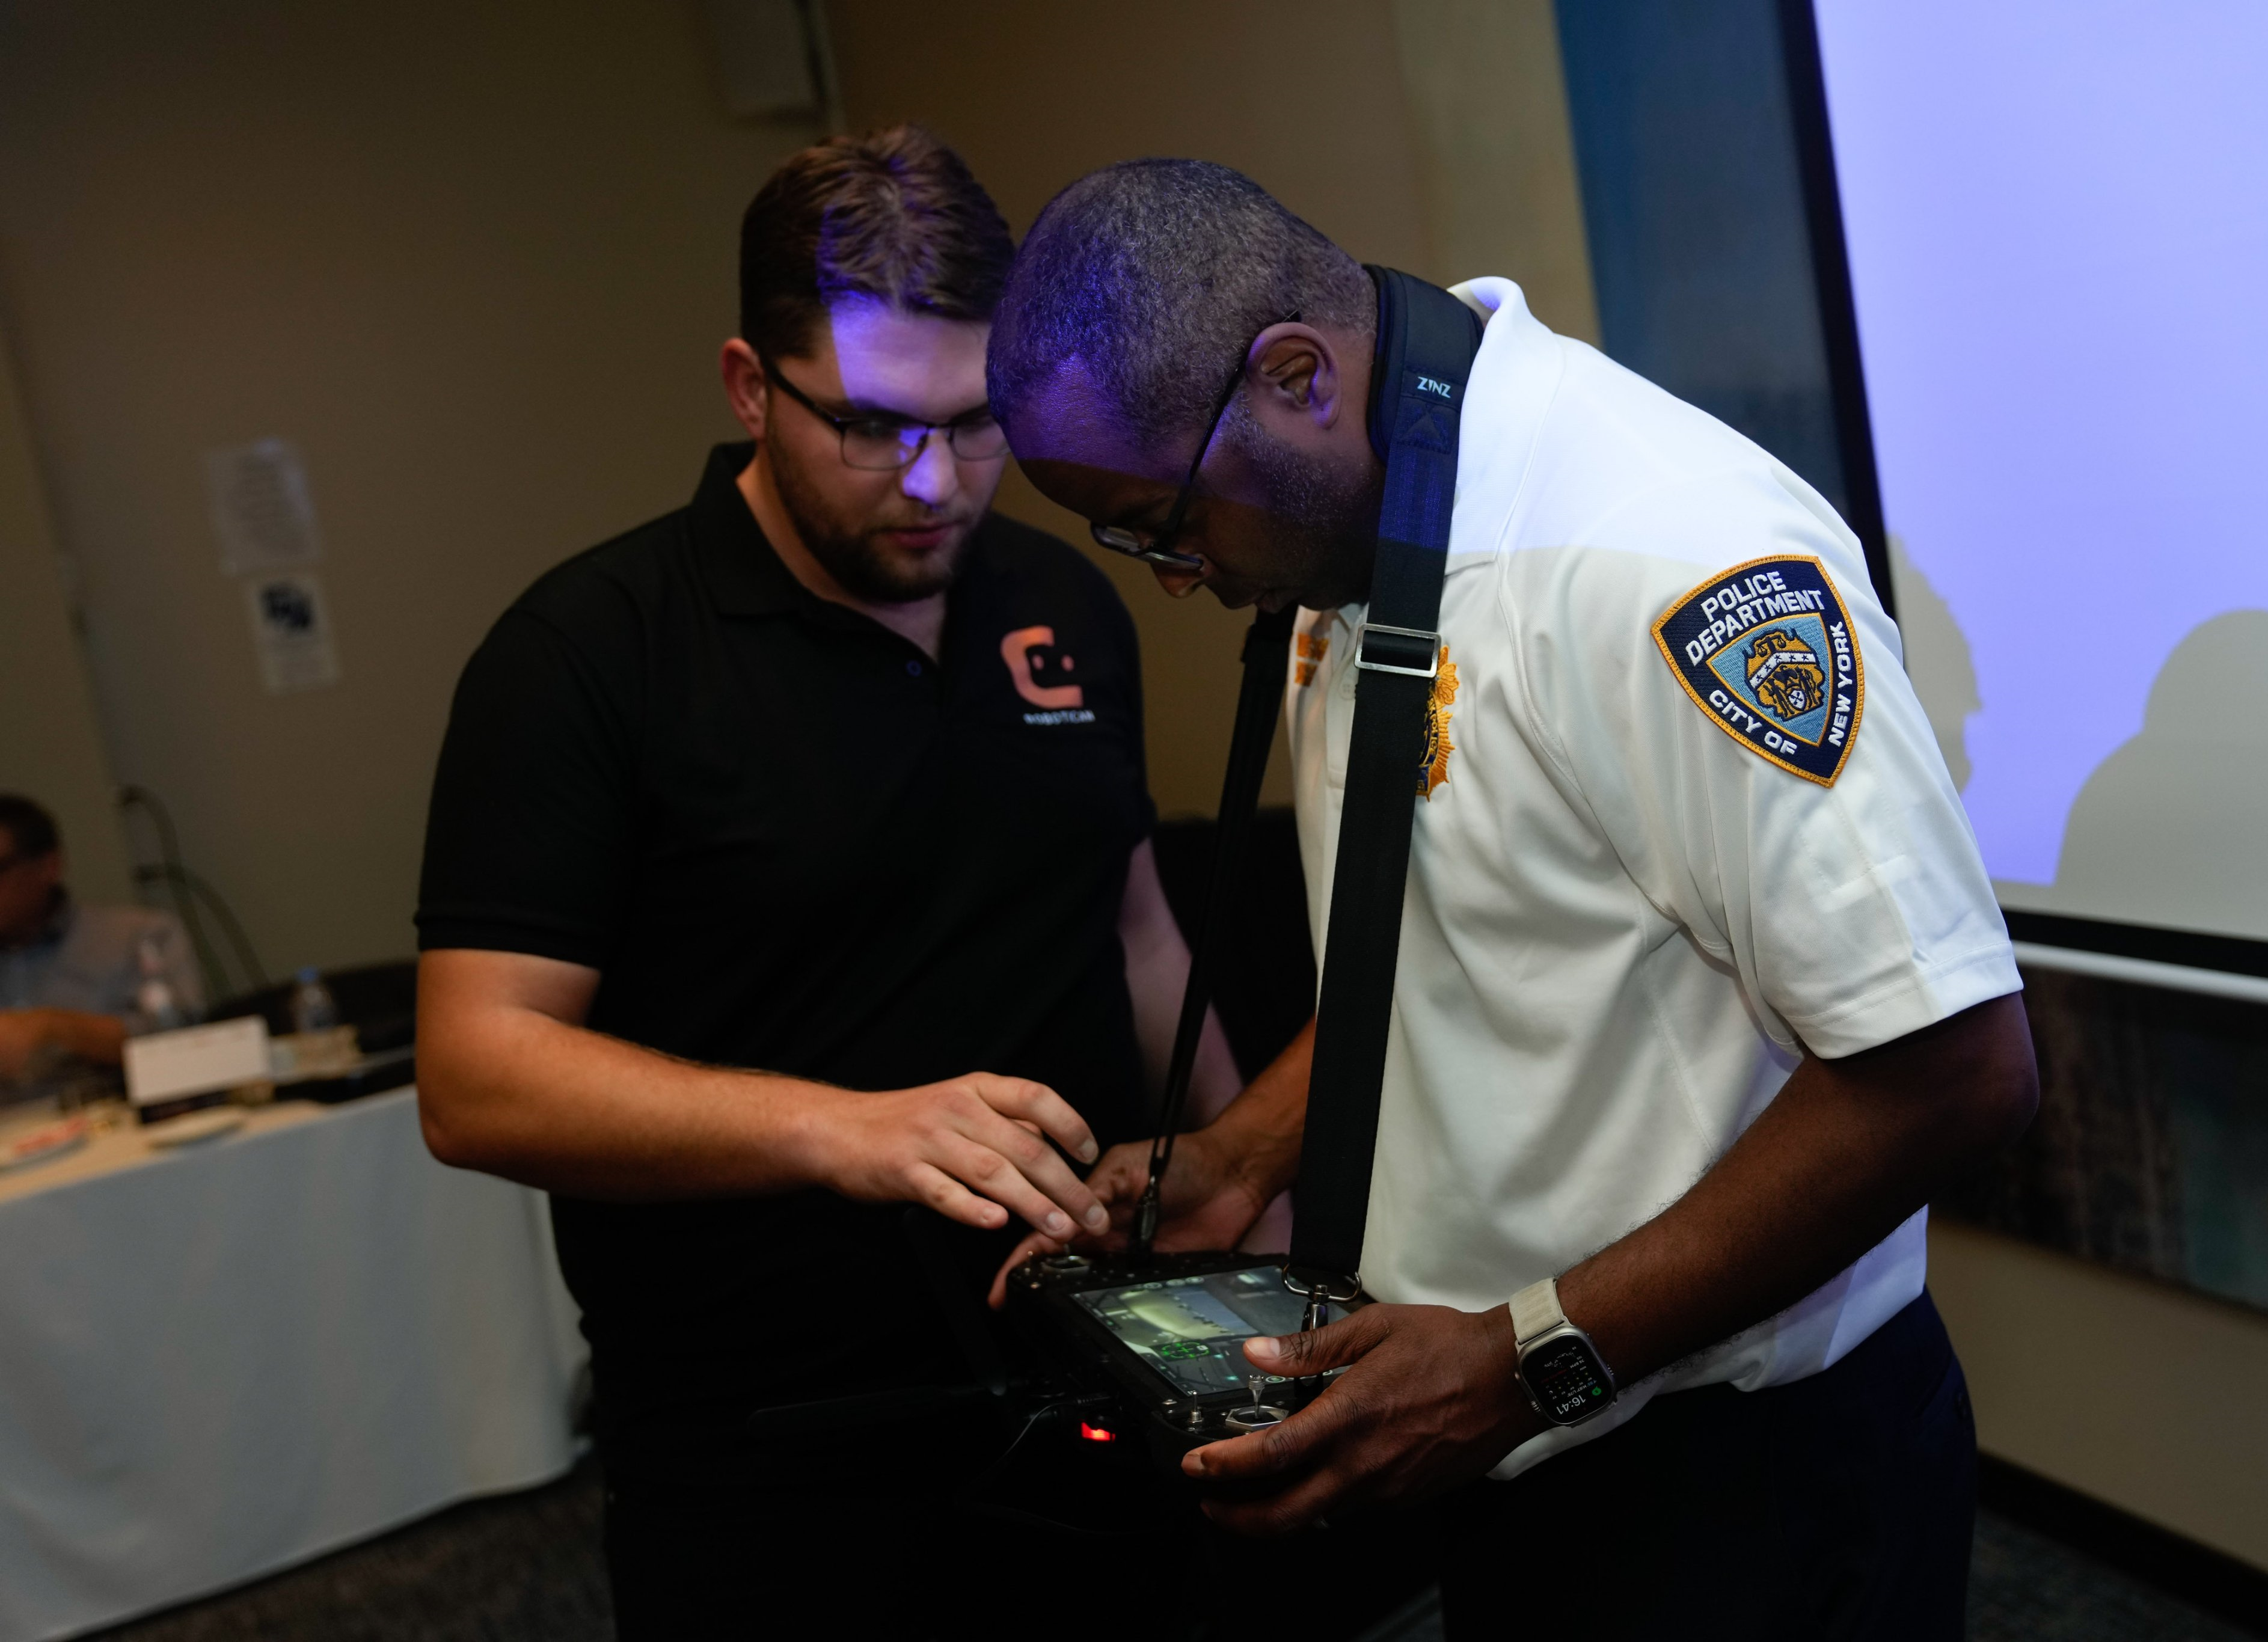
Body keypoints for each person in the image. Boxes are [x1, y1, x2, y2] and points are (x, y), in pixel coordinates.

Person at [985, 161, 2040, 1638]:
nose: (1169, 578)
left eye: (1165, 526)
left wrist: (1532, 1355)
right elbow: (1456, 921)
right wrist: (1240, 1156)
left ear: (1294, 376)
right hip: (1510, 1426)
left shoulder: (1665, 560)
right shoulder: (1362, 512)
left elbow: (1952, 1069)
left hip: (1730, 1469)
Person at [412, 127, 1236, 1637]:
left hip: (1092, 1371)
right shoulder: (589, 657)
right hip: (777, 1450)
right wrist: (850, 1132)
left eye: (977, 421)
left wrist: (1239, 1175)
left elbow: (1136, 934)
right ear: (748, 386)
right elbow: (474, 1078)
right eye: (868, 426)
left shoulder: (1059, 599)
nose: (934, 481)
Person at [0, 792, 202, 1103]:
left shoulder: (139, 936)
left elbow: (186, 1045)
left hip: (126, 1125)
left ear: (48, 867)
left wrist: (56, 1028)